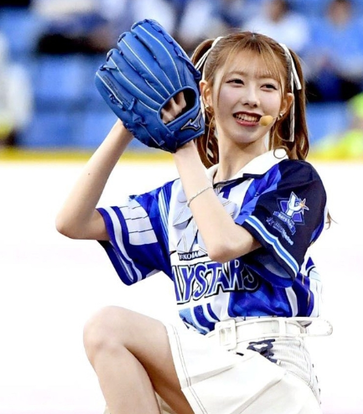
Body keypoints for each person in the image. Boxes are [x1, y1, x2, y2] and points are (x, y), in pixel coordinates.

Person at [56, 27, 332, 414]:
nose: (252, 98)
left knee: (108, 328)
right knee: (123, 391)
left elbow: (224, 244)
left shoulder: (293, 179)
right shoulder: (177, 197)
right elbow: (72, 222)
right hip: (204, 365)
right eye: (236, 82)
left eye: (267, 86)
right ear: (205, 94)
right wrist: (128, 123)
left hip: (267, 376)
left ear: (284, 105)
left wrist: (182, 143)